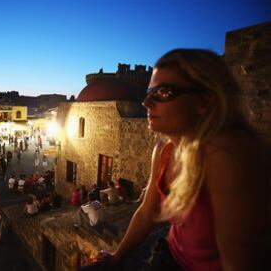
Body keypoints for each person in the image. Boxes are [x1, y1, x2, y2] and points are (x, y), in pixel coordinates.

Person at [86, 49, 270, 270]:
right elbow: (147, 212)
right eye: (149, 91)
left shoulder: (227, 156)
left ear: (204, 100)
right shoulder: (165, 148)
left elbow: (238, 259)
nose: (145, 102)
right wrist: (116, 257)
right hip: (169, 254)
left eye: (162, 93)